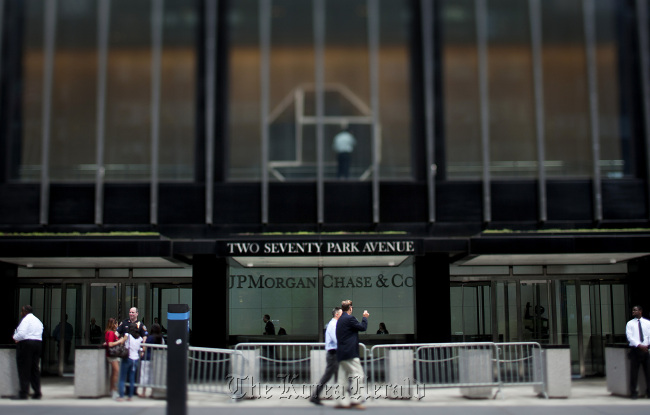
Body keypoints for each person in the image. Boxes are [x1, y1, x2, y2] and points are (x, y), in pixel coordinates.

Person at [335, 300, 368, 409]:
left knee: (342, 377)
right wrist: (365, 317)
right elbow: (362, 327)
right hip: (350, 353)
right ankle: (355, 400)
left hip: (341, 352)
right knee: (358, 375)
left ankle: (340, 401)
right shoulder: (350, 318)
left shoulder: (340, 320)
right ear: (350, 308)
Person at [310, 307, 342, 406]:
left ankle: (350, 396)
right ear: (337, 314)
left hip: (334, 353)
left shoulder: (333, 324)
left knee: (340, 376)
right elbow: (336, 339)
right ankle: (315, 396)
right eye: (341, 313)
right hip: (333, 354)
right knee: (331, 376)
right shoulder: (333, 325)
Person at [12, 305, 44, 400]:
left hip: (26, 344)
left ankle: (23, 393)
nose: (21, 313)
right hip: (38, 343)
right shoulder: (38, 321)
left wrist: (15, 338)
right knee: (35, 369)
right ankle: (37, 392)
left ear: (25, 311)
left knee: (24, 369)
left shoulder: (25, 320)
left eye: (22, 311)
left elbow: (21, 334)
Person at [626, 305, 650, 399]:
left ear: (640, 311)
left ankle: (649, 392)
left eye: (635, 310)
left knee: (648, 373)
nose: (633, 312)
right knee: (634, 373)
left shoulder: (647, 323)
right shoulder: (630, 324)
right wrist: (639, 345)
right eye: (633, 310)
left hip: (645, 350)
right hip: (635, 350)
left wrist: (646, 346)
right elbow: (629, 337)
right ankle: (633, 393)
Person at [117, 323, 144, 401]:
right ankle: (130, 396)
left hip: (127, 358)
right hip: (135, 359)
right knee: (132, 378)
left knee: (122, 378)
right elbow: (142, 347)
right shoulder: (140, 338)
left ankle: (121, 396)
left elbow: (122, 342)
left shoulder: (127, 335)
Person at [139, 323, 164, 398]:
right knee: (153, 376)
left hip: (146, 358)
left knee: (145, 375)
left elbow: (144, 348)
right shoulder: (160, 338)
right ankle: (153, 392)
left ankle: (144, 392)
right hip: (156, 358)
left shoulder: (149, 338)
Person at [104, 317, 121, 400]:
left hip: (111, 354)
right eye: (116, 323)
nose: (117, 325)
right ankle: (114, 390)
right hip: (113, 355)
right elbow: (110, 344)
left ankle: (112, 390)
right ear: (114, 324)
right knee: (116, 372)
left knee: (114, 373)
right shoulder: (111, 333)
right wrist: (120, 341)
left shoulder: (109, 332)